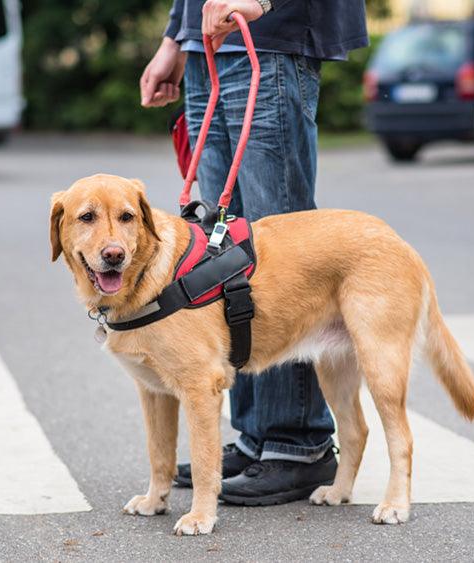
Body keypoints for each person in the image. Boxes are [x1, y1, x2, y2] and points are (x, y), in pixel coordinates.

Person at [139, 0, 368, 505]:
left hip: (271, 36)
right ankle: (256, 436)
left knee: (282, 255)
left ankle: (297, 444)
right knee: (222, 255)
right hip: (206, 46)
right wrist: (175, 40)